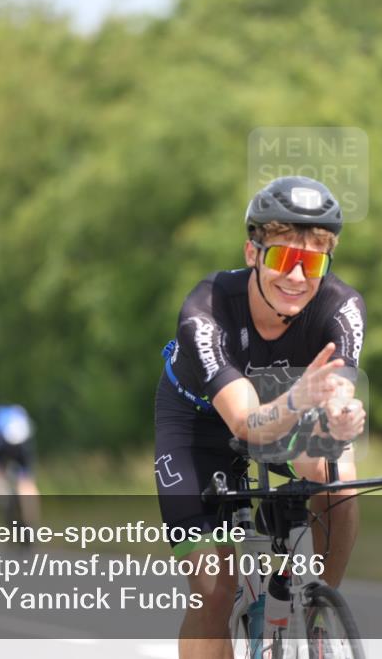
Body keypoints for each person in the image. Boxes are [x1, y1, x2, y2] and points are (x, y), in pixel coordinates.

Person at [155, 176, 367, 659]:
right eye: (282, 258)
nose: (296, 277)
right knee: (213, 592)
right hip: (201, 424)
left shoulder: (342, 306)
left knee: (340, 475)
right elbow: (247, 425)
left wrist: (340, 413)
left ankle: (319, 612)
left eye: (311, 262)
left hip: (284, 408)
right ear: (253, 253)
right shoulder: (205, 309)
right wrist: (302, 401)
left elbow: (335, 393)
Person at [0, 404, 40, 531]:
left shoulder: (25, 434)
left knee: (27, 484)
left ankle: (30, 524)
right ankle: (4, 509)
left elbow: (27, 470)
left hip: (21, 446)